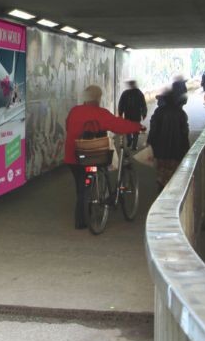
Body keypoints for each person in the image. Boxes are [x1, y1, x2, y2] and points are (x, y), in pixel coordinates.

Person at [64, 85, 145, 229]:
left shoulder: (74, 111)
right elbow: (118, 125)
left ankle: (83, 216)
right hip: (92, 155)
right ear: (98, 98)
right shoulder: (100, 113)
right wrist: (137, 127)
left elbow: (67, 126)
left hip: (73, 156)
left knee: (81, 187)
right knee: (87, 184)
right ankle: (83, 218)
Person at [147, 85, 190, 191]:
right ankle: (170, 189)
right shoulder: (181, 113)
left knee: (161, 169)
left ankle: (161, 185)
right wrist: (186, 147)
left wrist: (150, 142)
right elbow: (184, 132)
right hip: (176, 149)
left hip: (160, 149)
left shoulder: (159, 112)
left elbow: (153, 129)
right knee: (173, 171)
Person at [118, 80, 147, 151]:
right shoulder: (139, 93)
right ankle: (134, 146)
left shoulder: (125, 93)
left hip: (128, 114)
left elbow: (121, 104)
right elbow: (143, 104)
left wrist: (120, 113)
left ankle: (130, 140)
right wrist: (144, 113)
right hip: (136, 115)